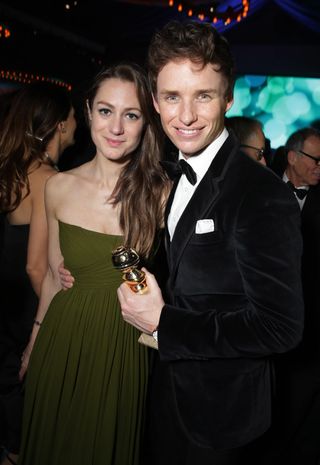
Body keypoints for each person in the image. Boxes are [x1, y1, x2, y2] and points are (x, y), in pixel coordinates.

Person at [116, 20, 304, 465]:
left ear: (228, 97)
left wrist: (165, 322)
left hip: (224, 415)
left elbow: (280, 326)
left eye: (203, 95)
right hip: (164, 395)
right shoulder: (163, 172)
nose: (185, 116)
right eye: (171, 97)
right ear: (155, 100)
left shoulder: (261, 193)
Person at [18, 63, 169, 465]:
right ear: (88, 112)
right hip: (62, 339)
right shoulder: (58, 186)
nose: (116, 127)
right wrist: (35, 341)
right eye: (106, 111)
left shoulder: (162, 194)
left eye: (131, 114)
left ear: (145, 122)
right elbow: (52, 276)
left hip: (123, 345)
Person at [0, 82, 76, 465]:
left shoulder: (14, 169)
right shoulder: (47, 177)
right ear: (60, 125)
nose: (79, 121)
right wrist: (51, 320)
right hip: (27, 301)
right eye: (75, 114)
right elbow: (36, 265)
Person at [263, 127, 320, 464]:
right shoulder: (261, 188)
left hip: (312, 327)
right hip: (266, 324)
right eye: (316, 159)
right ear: (293, 157)